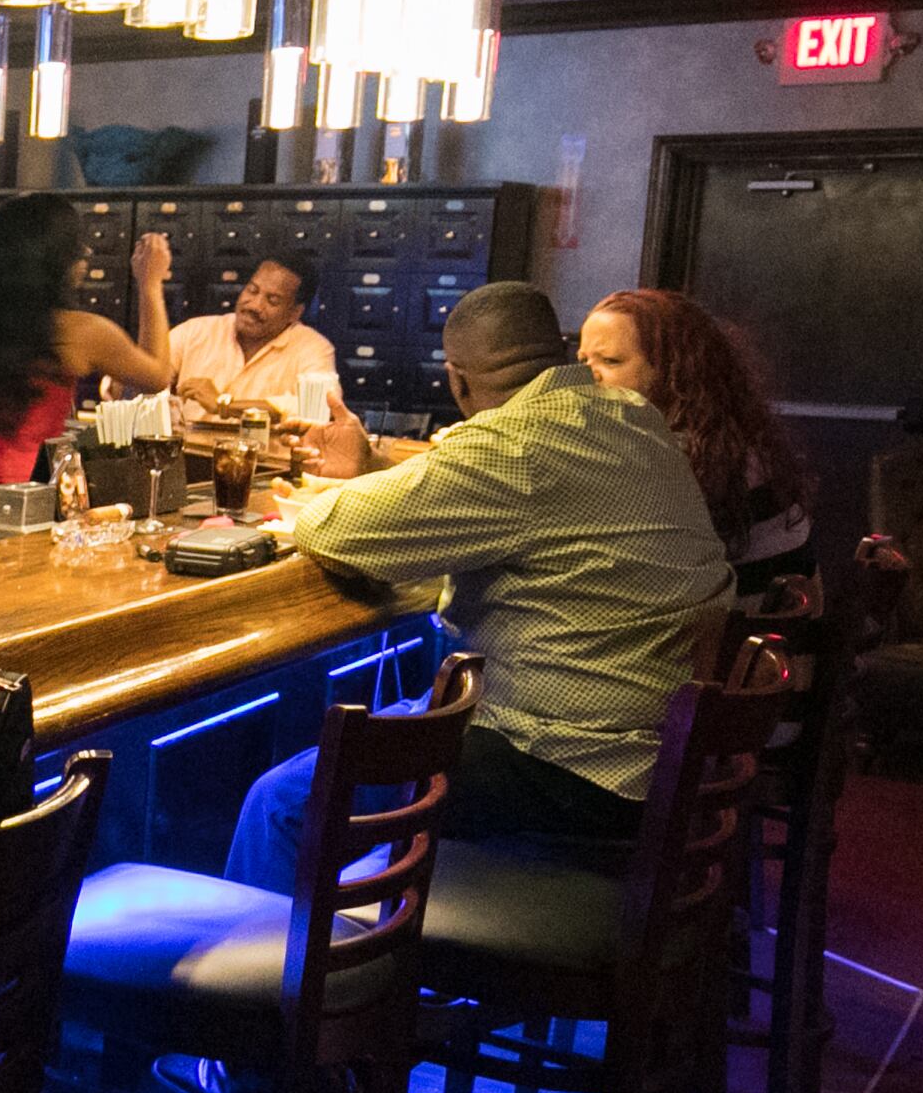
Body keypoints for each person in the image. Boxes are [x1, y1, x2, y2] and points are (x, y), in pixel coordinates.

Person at [228, 281, 730, 889]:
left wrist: (314, 503)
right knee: (403, 726)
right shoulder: (631, 417)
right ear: (563, 353)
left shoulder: (515, 441)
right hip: (658, 761)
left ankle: (303, 981)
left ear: (457, 380)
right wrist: (372, 474)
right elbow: (511, 505)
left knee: (281, 803)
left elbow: (338, 531)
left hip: (568, 768)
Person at [0, 192, 176, 531]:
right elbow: (158, 375)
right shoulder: (81, 332)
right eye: (76, 248)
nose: (85, 256)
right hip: (30, 504)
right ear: (55, 262)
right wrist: (150, 284)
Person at [580, 288, 815, 593]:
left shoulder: (671, 459)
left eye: (610, 361)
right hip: (765, 632)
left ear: (673, 372)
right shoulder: (741, 443)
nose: (584, 376)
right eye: (582, 359)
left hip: (722, 633)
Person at [135, 240, 340, 421]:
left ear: (295, 312)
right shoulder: (196, 331)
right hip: (189, 455)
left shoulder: (313, 348)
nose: (254, 305)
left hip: (267, 461)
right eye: (252, 290)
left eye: (272, 300)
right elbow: (143, 375)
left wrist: (225, 405)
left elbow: (323, 407)